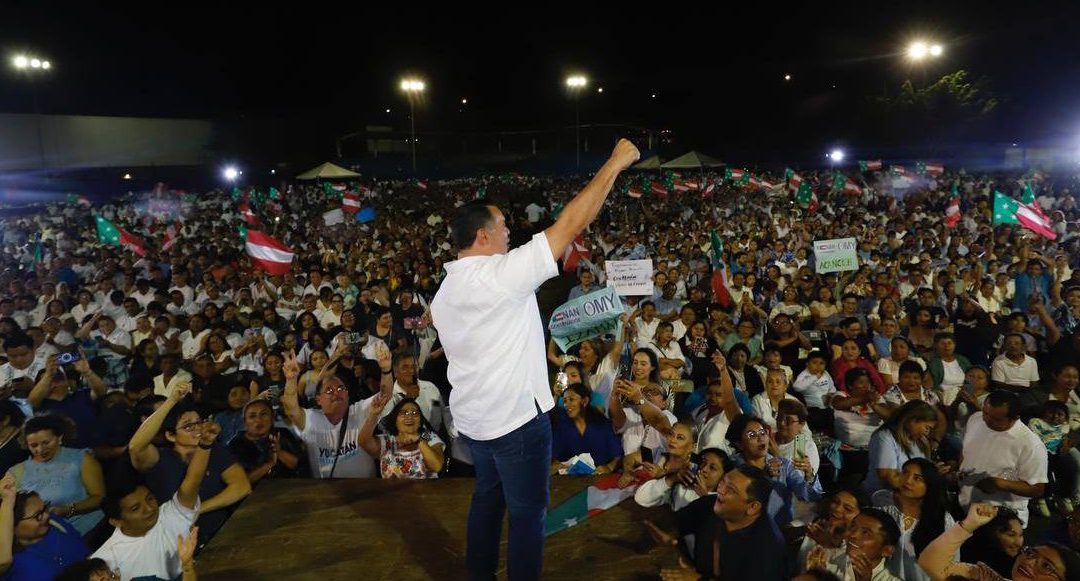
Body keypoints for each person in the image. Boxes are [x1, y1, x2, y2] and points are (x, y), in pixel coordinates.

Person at [429, 138, 639, 581]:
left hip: (475, 424)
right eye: (503, 225)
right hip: (516, 424)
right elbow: (573, 222)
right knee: (528, 515)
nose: (510, 231)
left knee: (488, 499)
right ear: (483, 236)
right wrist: (616, 164)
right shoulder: (500, 276)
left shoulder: (445, 292)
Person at [92, 417, 219, 580]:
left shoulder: (170, 514)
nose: (149, 508)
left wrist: (205, 445)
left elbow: (192, 481)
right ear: (116, 521)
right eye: (135, 508)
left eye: (149, 499)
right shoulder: (105, 562)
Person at [127, 382, 251, 542]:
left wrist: (197, 510)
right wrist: (171, 401)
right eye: (188, 427)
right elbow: (135, 446)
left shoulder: (214, 450)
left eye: (199, 422)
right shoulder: (160, 458)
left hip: (220, 533)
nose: (198, 429)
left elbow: (242, 486)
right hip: (177, 541)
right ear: (171, 435)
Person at [281, 343, 393, 479]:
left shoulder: (360, 410)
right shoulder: (311, 418)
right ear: (318, 399)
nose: (336, 393)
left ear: (348, 395)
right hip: (326, 490)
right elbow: (291, 410)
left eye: (341, 389)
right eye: (329, 390)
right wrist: (291, 380)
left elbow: (385, 396)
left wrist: (386, 371)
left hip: (365, 487)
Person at [662, 465, 788, 580]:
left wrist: (696, 579)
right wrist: (672, 540)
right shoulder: (710, 504)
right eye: (722, 482)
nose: (720, 491)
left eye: (731, 489)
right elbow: (673, 523)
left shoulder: (769, 547)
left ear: (752, 507)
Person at [918, 503, 1080, 581]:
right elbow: (931, 564)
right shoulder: (989, 578)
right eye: (1030, 553)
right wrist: (969, 524)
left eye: (1046, 566)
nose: (1029, 562)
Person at [958, 390, 1048, 526]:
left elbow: (1037, 488)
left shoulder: (1031, 445)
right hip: (965, 504)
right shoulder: (976, 419)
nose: (986, 420)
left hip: (999, 517)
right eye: (985, 413)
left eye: (996, 419)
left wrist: (1000, 484)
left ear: (1015, 417)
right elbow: (966, 449)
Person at [6, 415, 105, 537]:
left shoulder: (81, 458)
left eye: (46, 442)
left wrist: (68, 510)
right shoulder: (16, 472)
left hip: (92, 529)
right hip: (50, 538)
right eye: (34, 445)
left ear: (59, 438)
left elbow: (99, 498)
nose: (40, 449)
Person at [725, 414, 821, 527]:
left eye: (762, 433)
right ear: (740, 444)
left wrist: (809, 475)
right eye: (752, 435)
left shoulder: (783, 465)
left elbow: (811, 497)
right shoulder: (731, 467)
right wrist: (763, 476)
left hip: (779, 530)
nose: (761, 438)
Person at [871, 458, 954, 581]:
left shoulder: (943, 520)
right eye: (905, 473)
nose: (908, 480)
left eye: (917, 478)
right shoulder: (882, 503)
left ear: (929, 485)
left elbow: (950, 564)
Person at [0, 473, 90, 580]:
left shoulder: (56, 524)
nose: (46, 516)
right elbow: (3, 561)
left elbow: (87, 556)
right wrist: (7, 501)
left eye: (45, 508)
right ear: (13, 526)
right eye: (38, 515)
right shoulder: (11, 560)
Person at [804, 507, 904, 581]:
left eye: (865, 533)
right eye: (853, 527)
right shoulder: (830, 560)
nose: (853, 535)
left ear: (887, 550)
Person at [360, 395, 446, 479]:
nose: (409, 416)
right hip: (392, 489)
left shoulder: (428, 436)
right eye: (403, 413)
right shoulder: (387, 441)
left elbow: (437, 466)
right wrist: (373, 415)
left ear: (420, 421)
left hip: (425, 488)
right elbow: (364, 442)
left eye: (415, 413)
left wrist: (419, 440)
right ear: (395, 420)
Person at [546, 384, 623, 476]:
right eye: (565, 401)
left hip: (599, 478)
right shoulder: (561, 424)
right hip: (569, 479)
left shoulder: (601, 424)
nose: (567, 405)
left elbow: (618, 456)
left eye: (571, 399)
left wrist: (609, 467)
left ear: (585, 401)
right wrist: (557, 466)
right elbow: (553, 457)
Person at [865, 400, 939, 494]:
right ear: (912, 420)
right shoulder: (885, 437)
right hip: (884, 496)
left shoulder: (921, 442)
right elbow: (888, 478)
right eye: (927, 427)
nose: (927, 432)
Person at [227, 398, 308, 483]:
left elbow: (300, 466)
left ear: (272, 418)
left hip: (289, 487)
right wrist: (270, 463)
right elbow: (241, 482)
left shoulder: (283, 434)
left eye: (264, 414)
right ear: (245, 421)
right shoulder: (236, 444)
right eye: (252, 416)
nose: (259, 420)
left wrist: (279, 452)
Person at [634, 443, 727, 512]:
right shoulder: (682, 486)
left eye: (712, 468)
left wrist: (705, 499)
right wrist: (672, 479)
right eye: (702, 462)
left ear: (723, 477)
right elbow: (641, 498)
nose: (704, 469)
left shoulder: (723, 502)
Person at [958, 507, 1023, 578]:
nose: (1018, 543)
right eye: (1011, 535)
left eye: (1021, 535)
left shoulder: (1020, 565)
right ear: (991, 533)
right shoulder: (969, 561)